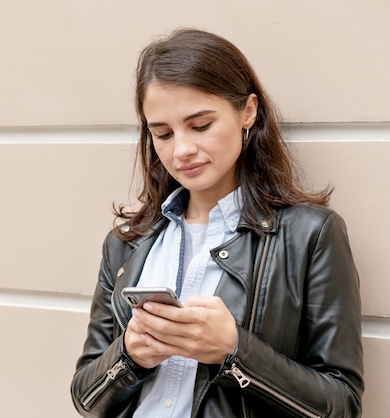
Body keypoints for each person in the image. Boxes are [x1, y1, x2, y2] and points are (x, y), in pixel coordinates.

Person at [70, 28, 364, 418]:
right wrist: (129, 356)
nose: (181, 150)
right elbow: (84, 399)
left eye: (200, 125)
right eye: (162, 133)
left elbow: (341, 405)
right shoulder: (126, 243)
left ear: (248, 111)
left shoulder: (310, 236)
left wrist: (234, 351)